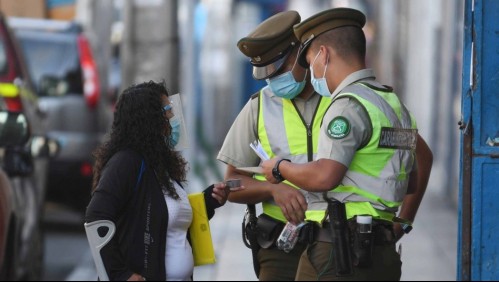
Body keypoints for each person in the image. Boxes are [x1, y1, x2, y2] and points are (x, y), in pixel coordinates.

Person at [260, 7, 433, 281]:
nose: (311, 72)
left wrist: (280, 168)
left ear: (323, 55)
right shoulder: (394, 106)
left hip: (338, 252)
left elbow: (326, 175)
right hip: (383, 254)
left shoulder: (347, 105)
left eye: (309, 60)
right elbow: (409, 182)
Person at [85, 80, 243, 281]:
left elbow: (166, 220)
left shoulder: (160, 165)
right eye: (167, 109)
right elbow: (96, 214)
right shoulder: (126, 161)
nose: (172, 116)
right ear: (148, 119)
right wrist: (120, 274)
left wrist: (208, 200)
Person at [216, 10, 332, 281]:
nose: (274, 79)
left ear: (302, 52)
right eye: (266, 72)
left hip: (337, 241)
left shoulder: (340, 98)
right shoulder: (259, 106)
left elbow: (416, 156)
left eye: (278, 68)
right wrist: (271, 190)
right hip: (282, 246)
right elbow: (232, 183)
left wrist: (403, 224)